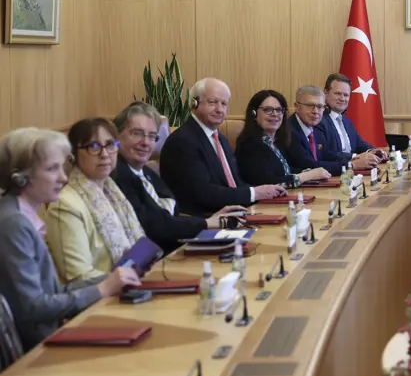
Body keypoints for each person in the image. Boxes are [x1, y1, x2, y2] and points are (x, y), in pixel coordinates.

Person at [0, 128, 140, 352]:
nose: (63, 178)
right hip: (36, 352)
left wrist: (111, 279)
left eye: (62, 167)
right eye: (52, 169)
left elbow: (53, 293)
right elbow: (32, 308)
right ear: (21, 177)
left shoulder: (19, 216)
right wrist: (102, 289)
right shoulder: (13, 224)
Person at [111, 102, 247, 255]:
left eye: (152, 136)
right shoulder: (117, 176)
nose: (145, 142)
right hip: (153, 259)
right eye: (137, 133)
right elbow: (155, 226)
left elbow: (172, 216)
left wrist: (213, 218)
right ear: (116, 135)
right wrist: (206, 223)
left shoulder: (146, 172)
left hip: (176, 249)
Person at [160, 78, 287, 217]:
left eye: (224, 103)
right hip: (206, 220)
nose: (219, 109)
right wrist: (253, 193)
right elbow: (203, 193)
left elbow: (235, 183)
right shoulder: (182, 141)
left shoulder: (220, 139)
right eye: (212, 102)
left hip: (235, 214)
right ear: (194, 103)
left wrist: (265, 192)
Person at [42, 119, 146, 283]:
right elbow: (78, 277)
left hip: (132, 285)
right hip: (99, 295)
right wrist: (123, 279)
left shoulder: (113, 192)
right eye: (94, 146)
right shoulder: (65, 205)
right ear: (74, 154)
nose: (104, 154)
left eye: (110, 145)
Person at [235, 90, 332, 185]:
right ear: (254, 113)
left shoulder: (276, 142)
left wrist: (310, 173)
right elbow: (268, 183)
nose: (274, 114)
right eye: (268, 110)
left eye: (279, 110)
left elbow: (285, 172)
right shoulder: (249, 144)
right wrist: (307, 176)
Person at [321, 73, 388, 169]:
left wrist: (372, 151)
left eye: (346, 95)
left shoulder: (347, 121)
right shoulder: (318, 120)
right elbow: (325, 154)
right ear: (325, 93)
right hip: (336, 172)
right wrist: (355, 157)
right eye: (338, 94)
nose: (342, 99)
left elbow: (359, 144)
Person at [288, 86, 347, 175]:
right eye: (310, 106)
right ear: (297, 106)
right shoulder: (289, 131)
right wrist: (349, 165)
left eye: (319, 107)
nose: (315, 111)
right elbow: (309, 165)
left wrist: (354, 159)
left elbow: (326, 155)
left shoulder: (317, 129)